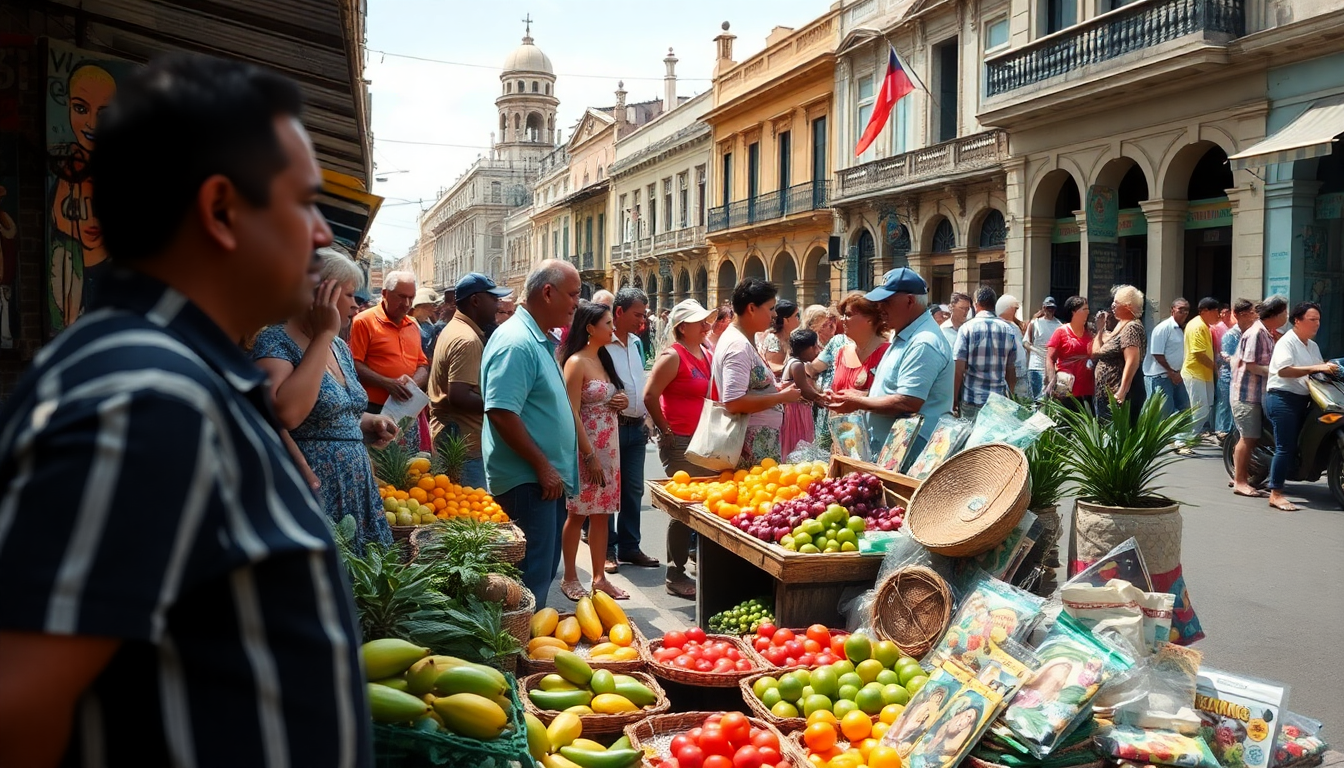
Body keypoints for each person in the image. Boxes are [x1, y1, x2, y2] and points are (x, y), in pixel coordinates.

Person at [0, 54, 374, 766]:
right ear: (222, 210)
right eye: (303, 202)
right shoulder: (145, 400)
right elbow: (17, 713)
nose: (323, 234)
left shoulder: (182, 380)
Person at [252, 247, 399, 552]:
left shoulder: (339, 347)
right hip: (315, 485)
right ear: (321, 294)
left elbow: (332, 410)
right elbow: (286, 414)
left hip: (354, 486)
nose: (356, 304)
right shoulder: (276, 342)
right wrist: (322, 334)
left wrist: (369, 422)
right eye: (349, 295)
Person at [482, 259, 581, 604]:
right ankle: (523, 636)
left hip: (543, 480)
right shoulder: (517, 342)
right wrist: (542, 465)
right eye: (573, 294)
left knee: (541, 572)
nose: (576, 303)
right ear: (548, 292)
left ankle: (530, 632)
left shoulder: (535, 338)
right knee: (530, 580)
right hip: (528, 482)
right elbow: (501, 411)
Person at [825, 267, 954, 457]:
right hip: (896, 451)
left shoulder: (923, 342)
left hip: (911, 454)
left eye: (886, 301)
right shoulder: (907, 336)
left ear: (909, 301)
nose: (879, 308)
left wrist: (859, 402)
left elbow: (908, 402)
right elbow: (897, 391)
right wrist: (863, 395)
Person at [643, 298, 716, 599]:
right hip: (680, 441)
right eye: (700, 322)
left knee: (705, 504)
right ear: (683, 327)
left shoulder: (706, 352)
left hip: (704, 439)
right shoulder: (673, 356)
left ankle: (698, 564)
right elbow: (650, 395)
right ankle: (675, 573)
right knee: (684, 507)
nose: (707, 326)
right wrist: (665, 429)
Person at [558, 301, 629, 601]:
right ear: (590, 327)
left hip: (609, 448)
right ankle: (570, 577)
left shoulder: (603, 358)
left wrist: (622, 401)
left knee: (602, 514)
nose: (613, 328)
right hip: (586, 447)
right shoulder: (576, 362)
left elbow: (611, 395)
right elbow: (571, 411)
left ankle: (599, 579)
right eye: (608, 323)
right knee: (577, 513)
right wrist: (588, 456)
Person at [428, 272, 513, 490]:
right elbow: (459, 395)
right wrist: (502, 406)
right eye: (493, 298)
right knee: (469, 509)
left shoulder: (456, 329)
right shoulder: (467, 340)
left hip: (456, 440)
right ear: (476, 300)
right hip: (465, 446)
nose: (497, 304)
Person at [712, 278, 803, 467]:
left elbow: (749, 387)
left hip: (758, 443)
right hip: (750, 447)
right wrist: (781, 397)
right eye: (770, 308)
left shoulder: (742, 340)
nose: (775, 314)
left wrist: (775, 389)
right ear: (752, 308)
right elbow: (733, 402)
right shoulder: (738, 346)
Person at [599, 287, 659, 574]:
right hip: (611, 426)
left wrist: (647, 418)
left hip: (636, 428)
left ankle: (629, 547)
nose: (642, 321)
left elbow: (638, 381)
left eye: (644, 315)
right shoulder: (602, 343)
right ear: (619, 312)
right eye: (637, 315)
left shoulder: (635, 342)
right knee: (608, 490)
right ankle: (606, 549)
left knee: (633, 489)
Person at [1263, 301, 1340, 511]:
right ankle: (1276, 493)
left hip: (1305, 398)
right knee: (1285, 446)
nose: (1317, 324)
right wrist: (1317, 367)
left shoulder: (1312, 346)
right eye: (1312, 319)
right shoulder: (1287, 342)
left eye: (1319, 320)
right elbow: (1284, 370)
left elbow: (1319, 370)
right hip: (1282, 398)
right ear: (1297, 320)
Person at [350, 269, 430, 450]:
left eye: (411, 298)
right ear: (385, 294)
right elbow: (354, 364)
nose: (407, 304)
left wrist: (411, 385)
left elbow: (423, 364)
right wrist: (387, 383)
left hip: (405, 409)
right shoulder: (364, 321)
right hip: (372, 410)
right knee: (377, 461)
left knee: (407, 463)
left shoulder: (412, 325)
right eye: (401, 297)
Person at [1231, 296, 1286, 498]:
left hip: (1261, 394)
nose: (1287, 316)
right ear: (1274, 314)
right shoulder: (1256, 333)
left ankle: (1245, 475)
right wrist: (1277, 372)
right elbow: (1251, 365)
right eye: (1285, 312)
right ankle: (1239, 482)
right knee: (1248, 438)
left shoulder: (1267, 333)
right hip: (1247, 394)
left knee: (1255, 438)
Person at [954, 286, 1017, 419]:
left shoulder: (966, 328)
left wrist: (953, 400)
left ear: (976, 304)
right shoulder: (1008, 330)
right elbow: (1011, 369)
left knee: (970, 433)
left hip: (972, 399)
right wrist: (1010, 397)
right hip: (998, 401)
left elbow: (958, 368)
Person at [1092, 285, 1148, 424]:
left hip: (1119, 396)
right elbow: (1096, 352)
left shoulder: (1132, 328)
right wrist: (1100, 330)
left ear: (1127, 306)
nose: (1112, 306)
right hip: (1106, 395)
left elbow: (1132, 361)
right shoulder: (1121, 325)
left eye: (1116, 302)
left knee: (1116, 433)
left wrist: (1122, 391)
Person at [830, 291, 890, 400]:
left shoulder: (888, 353)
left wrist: (864, 396)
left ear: (870, 318)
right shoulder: (842, 352)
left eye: (848, 315)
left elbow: (897, 395)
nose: (842, 319)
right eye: (843, 315)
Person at [1143, 298, 1191, 419]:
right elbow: (1157, 354)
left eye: (1187, 310)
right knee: (1163, 415)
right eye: (1181, 310)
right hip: (1161, 377)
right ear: (1172, 310)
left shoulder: (1180, 329)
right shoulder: (1163, 328)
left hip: (1177, 376)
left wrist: (1178, 373)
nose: (1184, 313)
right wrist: (1171, 372)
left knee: (1183, 411)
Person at [1045, 296, 1095, 410]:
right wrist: (1052, 381)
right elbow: (1050, 358)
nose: (1088, 312)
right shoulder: (1061, 331)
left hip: (1087, 388)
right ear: (1074, 312)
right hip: (1066, 387)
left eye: (1088, 309)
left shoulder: (1090, 332)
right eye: (1084, 309)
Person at [1182, 297, 1221, 442]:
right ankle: (1183, 440)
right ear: (1205, 311)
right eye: (1215, 312)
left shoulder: (1204, 325)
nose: (1217, 315)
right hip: (1195, 373)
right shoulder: (1197, 326)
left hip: (1203, 374)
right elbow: (1198, 354)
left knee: (1205, 409)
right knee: (1200, 410)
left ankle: (1189, 437)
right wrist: (1215, 367)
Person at [781, 327, 823, 456]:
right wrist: (823, 400)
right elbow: (805, 390)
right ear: (808, 348)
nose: (818, 350)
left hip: (796, 412)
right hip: (796, 414)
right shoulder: (797, 365)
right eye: (815, 347)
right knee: (798, 449)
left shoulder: (793, 362)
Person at [1214, 302, 1242, 438]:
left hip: (1236, 375)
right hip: (1227, 375)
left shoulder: (1243, 334)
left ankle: (1229, 433)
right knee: (1224, 404)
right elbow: (1226, 357)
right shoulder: (1231, 335)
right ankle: (1222, 431)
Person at [1025, 297, 1062, 400]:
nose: (1050, 310)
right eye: (1048, 308)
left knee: (1048, 398)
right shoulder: (1035, 324)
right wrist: (1036, 350)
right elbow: (1026, 342)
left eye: (1052, 308)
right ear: (1043, 308)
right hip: (1036, 366)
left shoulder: (1059, 326)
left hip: (1051, 367)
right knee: (1036, 399)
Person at [997, 294, 1027, 397]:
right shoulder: (1001, 326)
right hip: (1011, 370)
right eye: (1015, 309)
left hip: (1020, 371)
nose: (1016, 311)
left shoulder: (1014, 325)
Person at [761, 298, 800, 377]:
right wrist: (798, 369)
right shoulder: (774, 339)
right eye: (796, 316)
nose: (798, 319)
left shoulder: (790, 337)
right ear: (786, 320)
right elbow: (772, 367)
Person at [411, 286, 442, 360]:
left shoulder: (429, 327)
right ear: (419, 306)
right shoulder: (406, 326)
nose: (431, 312)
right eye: (429, 307)